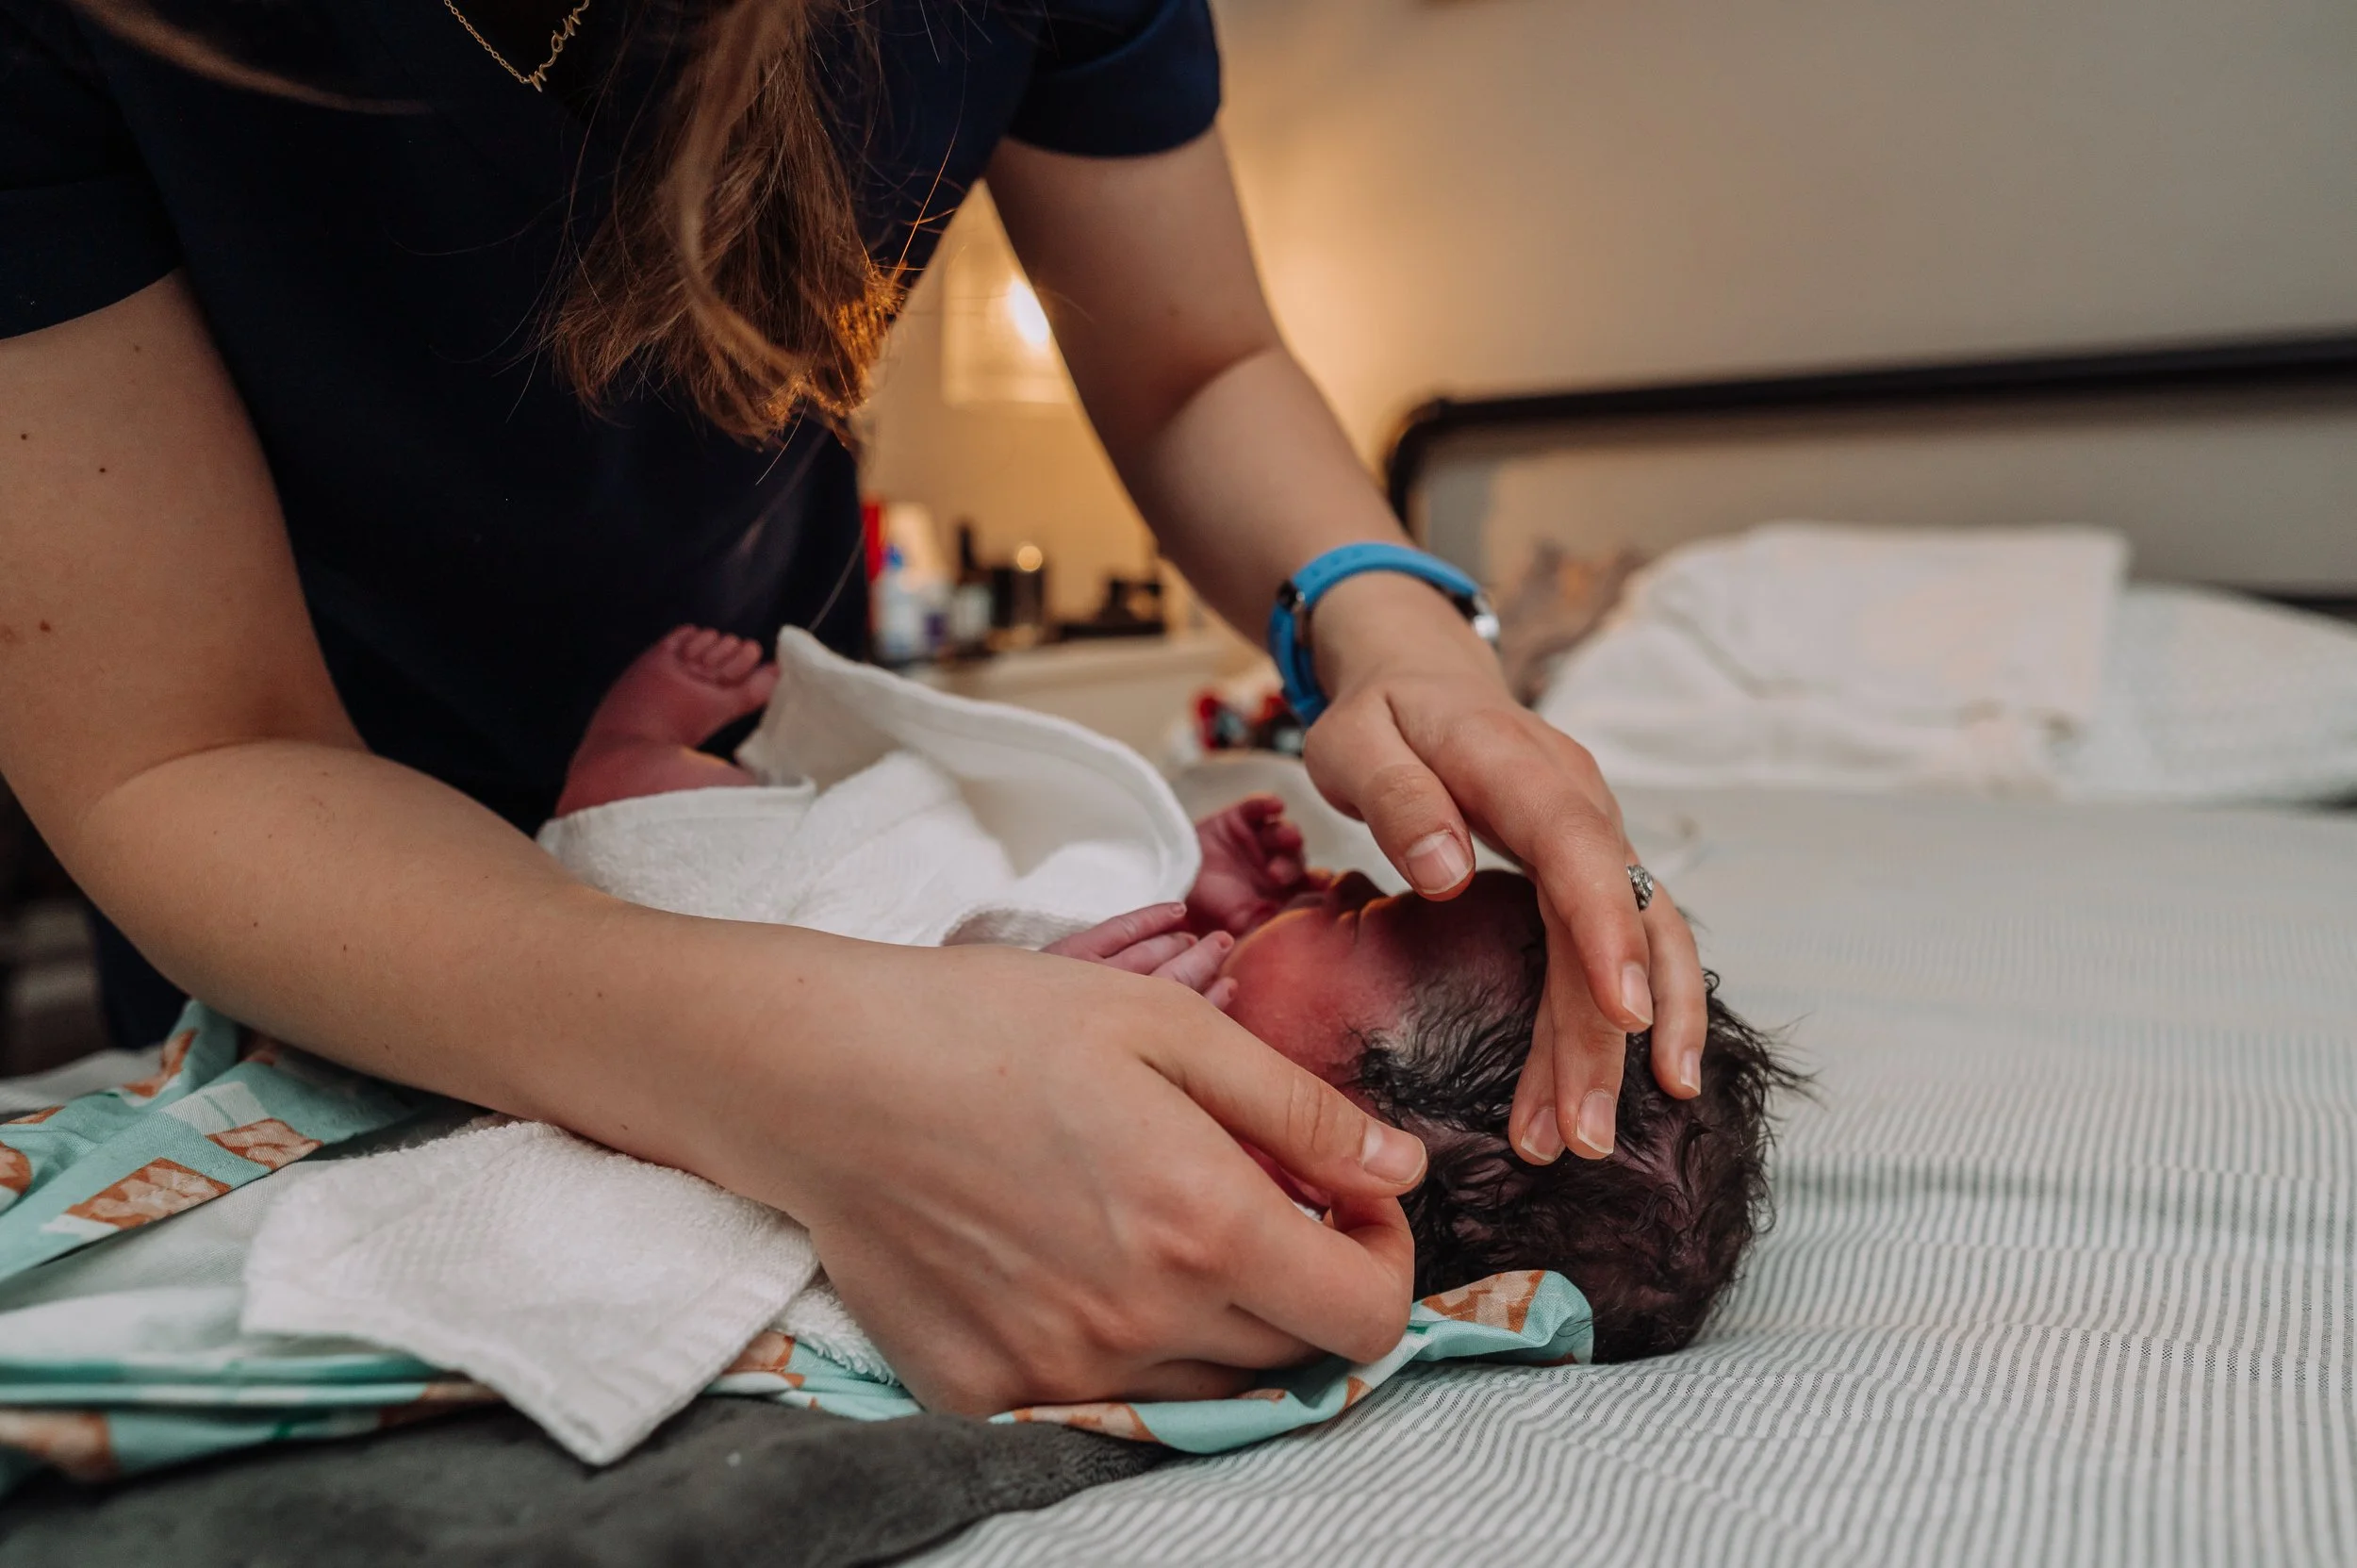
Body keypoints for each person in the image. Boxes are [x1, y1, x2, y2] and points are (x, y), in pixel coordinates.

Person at [0, 0, 1709, 1416]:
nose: (1344, 877)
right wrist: (796, 1065)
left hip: (732, 712)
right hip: (299, 865)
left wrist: (1404, 642)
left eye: (1365, 918)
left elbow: (1197, 362)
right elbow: (188, 746)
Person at [563, 623, 1797, 1362]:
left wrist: (1029, 993)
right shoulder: (1250, 1021)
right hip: (809, 958)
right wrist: (1207, 886)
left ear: (1334, 1160)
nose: (1325, 879)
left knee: (707, 846)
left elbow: (972, 1057)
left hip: (753, 976)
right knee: (914, 825)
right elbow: (1077, 916)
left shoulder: (1201, 1208)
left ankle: (618, 773)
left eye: (1357, 913)